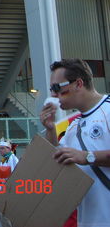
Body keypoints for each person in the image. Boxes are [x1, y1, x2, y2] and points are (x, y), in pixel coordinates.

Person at [40, 58, 110, 227]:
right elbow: (56, 160)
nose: (54, 95)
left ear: (78, 84)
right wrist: (50, 129)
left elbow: (83, 157)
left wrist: (87, 156)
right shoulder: (73, 126)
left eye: (57, 88)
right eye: (52, 89)